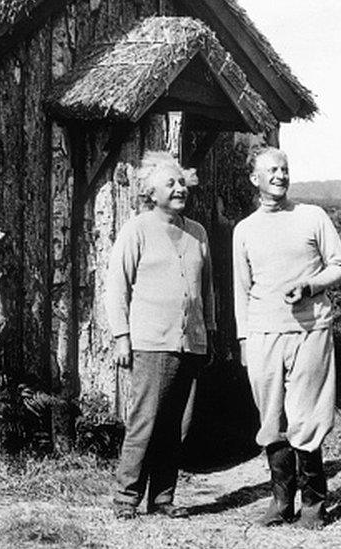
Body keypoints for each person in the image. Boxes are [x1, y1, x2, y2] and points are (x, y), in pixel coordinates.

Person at [232, 146, 341, 529]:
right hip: (263, 330)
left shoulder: (312, 216)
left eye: (284, 169)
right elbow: (241, 289)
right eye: (271, 170)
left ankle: (315, 502)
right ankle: (282, 500)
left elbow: (340, 266)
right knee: (271, 416)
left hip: (310, 329)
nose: (280, 175)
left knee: (307, 414)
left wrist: (310, 286)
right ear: (255, 178)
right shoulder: (245, 229)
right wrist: (244, 340)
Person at [105, 150, 216, 520]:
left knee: (176, 425)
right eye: (170, 182)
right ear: (151, 192)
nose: (179, 188)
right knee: (145, 422)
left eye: (182, 181)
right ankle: (126, 498)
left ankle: (163, 499)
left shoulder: (197, 232)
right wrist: (122, 335)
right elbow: (116, 286)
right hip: (151, 342)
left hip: (191, 343)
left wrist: (208, 334)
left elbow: (208, 289)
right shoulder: (137, 229)